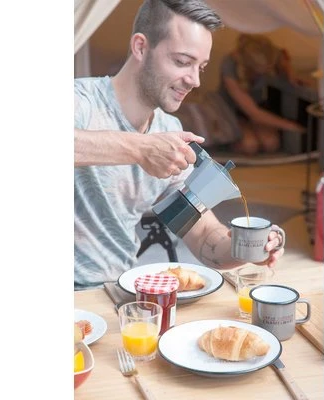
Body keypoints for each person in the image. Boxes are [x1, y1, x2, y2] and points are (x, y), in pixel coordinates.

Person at [74, 0, 285, 291]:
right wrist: (141, 149)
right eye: (183, 62)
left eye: (201, 67)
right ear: (140, 47)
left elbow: (204, 236)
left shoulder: (168, 131)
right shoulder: (81, 101)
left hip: (118, 295)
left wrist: (247, 247)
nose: (195, 80)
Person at [218, 34, 308, 156]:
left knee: (271, 143)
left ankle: (250, 131)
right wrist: (292, 126)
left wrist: (291, 74)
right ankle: (230, 140)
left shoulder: (269, 54)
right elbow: (254, 113)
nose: (266, 72)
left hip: (256, 106)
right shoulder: (230, 65)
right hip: (230, 110)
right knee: (250, 145)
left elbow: (282, 56)